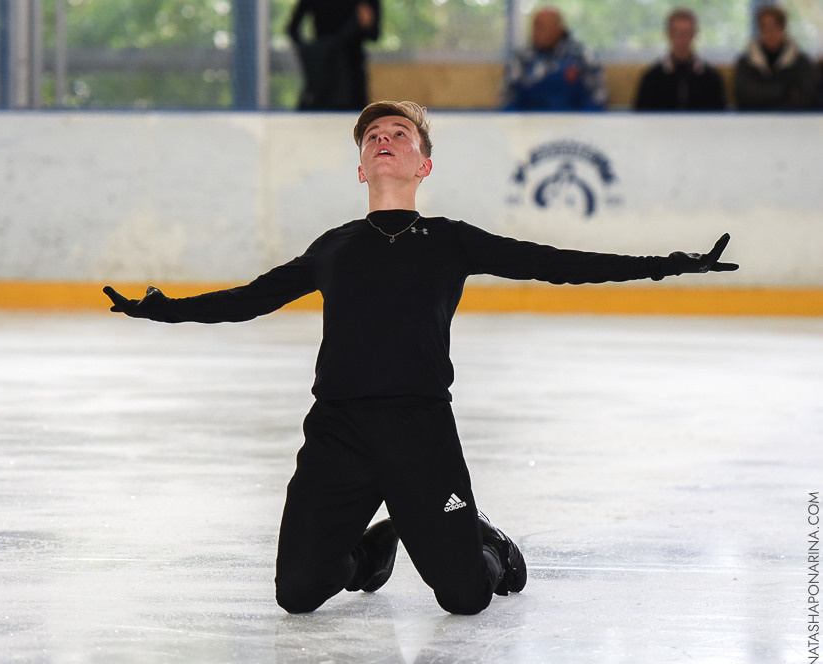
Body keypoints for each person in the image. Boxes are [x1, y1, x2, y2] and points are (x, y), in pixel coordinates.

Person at [104, 100, 738, 615]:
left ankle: (483, 542)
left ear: (422, 166)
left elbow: (556, 264)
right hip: (339, 433)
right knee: (296, 594)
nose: (383, 138)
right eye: (373, 135)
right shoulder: (333, 247)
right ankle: (376, 550)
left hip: (421, 432)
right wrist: (161, 308)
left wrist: (666, 265)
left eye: (399, 133)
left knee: (466, 597)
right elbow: (250, 299)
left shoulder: (451, 242)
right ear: (360, 169)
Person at [500, 6, 607, 111]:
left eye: (542, 26)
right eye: (534, 27)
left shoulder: (582, 57)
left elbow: (597, 99)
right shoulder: (521, 59)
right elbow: (508, 101)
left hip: (574, 124)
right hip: (530, 125)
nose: (535, 32)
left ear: (560, 28)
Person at [287, 0, 380, 111]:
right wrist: (312, 54)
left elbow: (374, 34)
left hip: (349, 70)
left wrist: (313, 54)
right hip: (328, 68)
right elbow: (293, 28)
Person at [634, 8, 726, 111]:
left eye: (686, 33)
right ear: (668, 34)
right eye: (677, 33)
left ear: (694, 34)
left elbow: (719, 118)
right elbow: (641, 118)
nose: (682, 39)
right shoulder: (652, 78)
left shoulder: (711, 78)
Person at [734, 4, 818, 111]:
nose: (769, 33)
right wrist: (785, 90)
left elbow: (807, 99)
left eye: (774, 27)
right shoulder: (746, 63)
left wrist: (764, 94)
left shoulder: (801, 63)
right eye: (764, 27)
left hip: (792, 121)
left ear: (783, 28)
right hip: (753, 121)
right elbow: (745, 97)